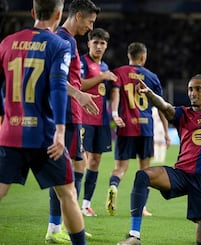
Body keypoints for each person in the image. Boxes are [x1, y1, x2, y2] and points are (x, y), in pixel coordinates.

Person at [116, 8, 201, 245]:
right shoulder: (183, 114)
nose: (192, 93)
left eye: (198, 89)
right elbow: (165, 107)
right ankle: (134, 236)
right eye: (190, 89)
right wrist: (149, 93)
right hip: (181, 174)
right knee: (143, 175)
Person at [0, 0, 87, 244]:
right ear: (58, 14)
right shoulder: (58, 44)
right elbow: (57, 87)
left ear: (33, 12)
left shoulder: (7, 42)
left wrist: (4, 115)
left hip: (11, 135)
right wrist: (60, 130)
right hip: (45, 137)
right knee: (68, 194)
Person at [46, 0, 101, 243]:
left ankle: (69, 224)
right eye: (90, 21)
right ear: (78, 16)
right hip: (66, 114)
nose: (91, 27)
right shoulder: (64, 40)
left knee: (78, 166)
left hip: (73, 113)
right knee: (62, 171)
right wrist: (78, 94)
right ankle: (55, 228)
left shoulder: (69, 40)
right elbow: (53, 77)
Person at [106, 42, 170, 217]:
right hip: (145, 128)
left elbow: (115, 94)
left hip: (126, 127)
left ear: (129, 55)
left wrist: (114, 113)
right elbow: (162, 107)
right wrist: (165, 132)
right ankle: (141, 208)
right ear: (143, 57)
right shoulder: (152, 77)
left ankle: (113, 185)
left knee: (120, 168)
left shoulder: (119, 72)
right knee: (145, 171)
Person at [80, 27, 117, 217]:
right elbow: (79, 85)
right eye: (95, 42)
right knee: (78, 162)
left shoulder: (105, 66)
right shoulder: (82, 62)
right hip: (84, 119)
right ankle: (69, 202)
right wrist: (102, 77)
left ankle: (85, 205)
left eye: (102, 43)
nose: (99, 46)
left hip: (101, 120)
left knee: (95, 162)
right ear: (89, 44)